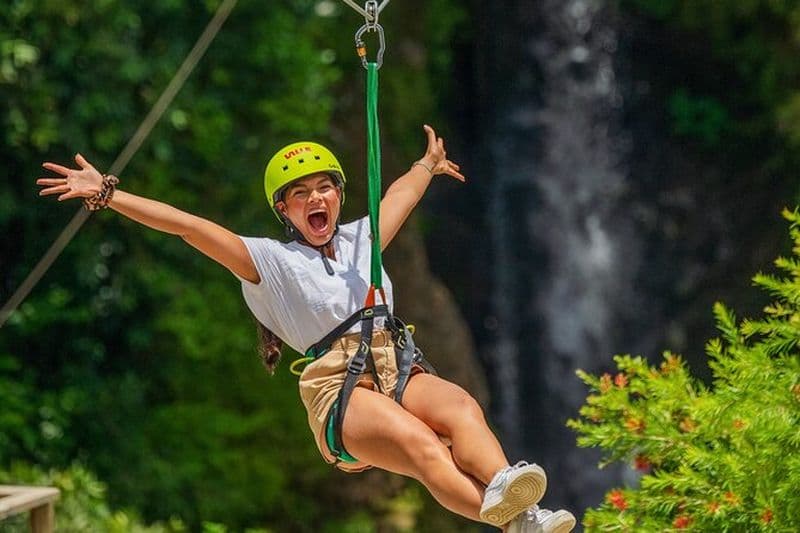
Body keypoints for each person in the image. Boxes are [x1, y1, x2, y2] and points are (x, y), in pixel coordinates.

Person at [37, 125, 576, 532]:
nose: (316, 199)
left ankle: (524, 509)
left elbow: (399, 198)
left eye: (325, 188)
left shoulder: (362, 241)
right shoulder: (269, 261)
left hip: (394, 360)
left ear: (339, 196)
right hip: (338, 384)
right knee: (420, 443)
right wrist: (105, 192)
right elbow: (185, 225)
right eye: (301, 193)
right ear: (283, 209)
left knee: (459, 406)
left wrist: (426, 165)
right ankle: (512, 523)